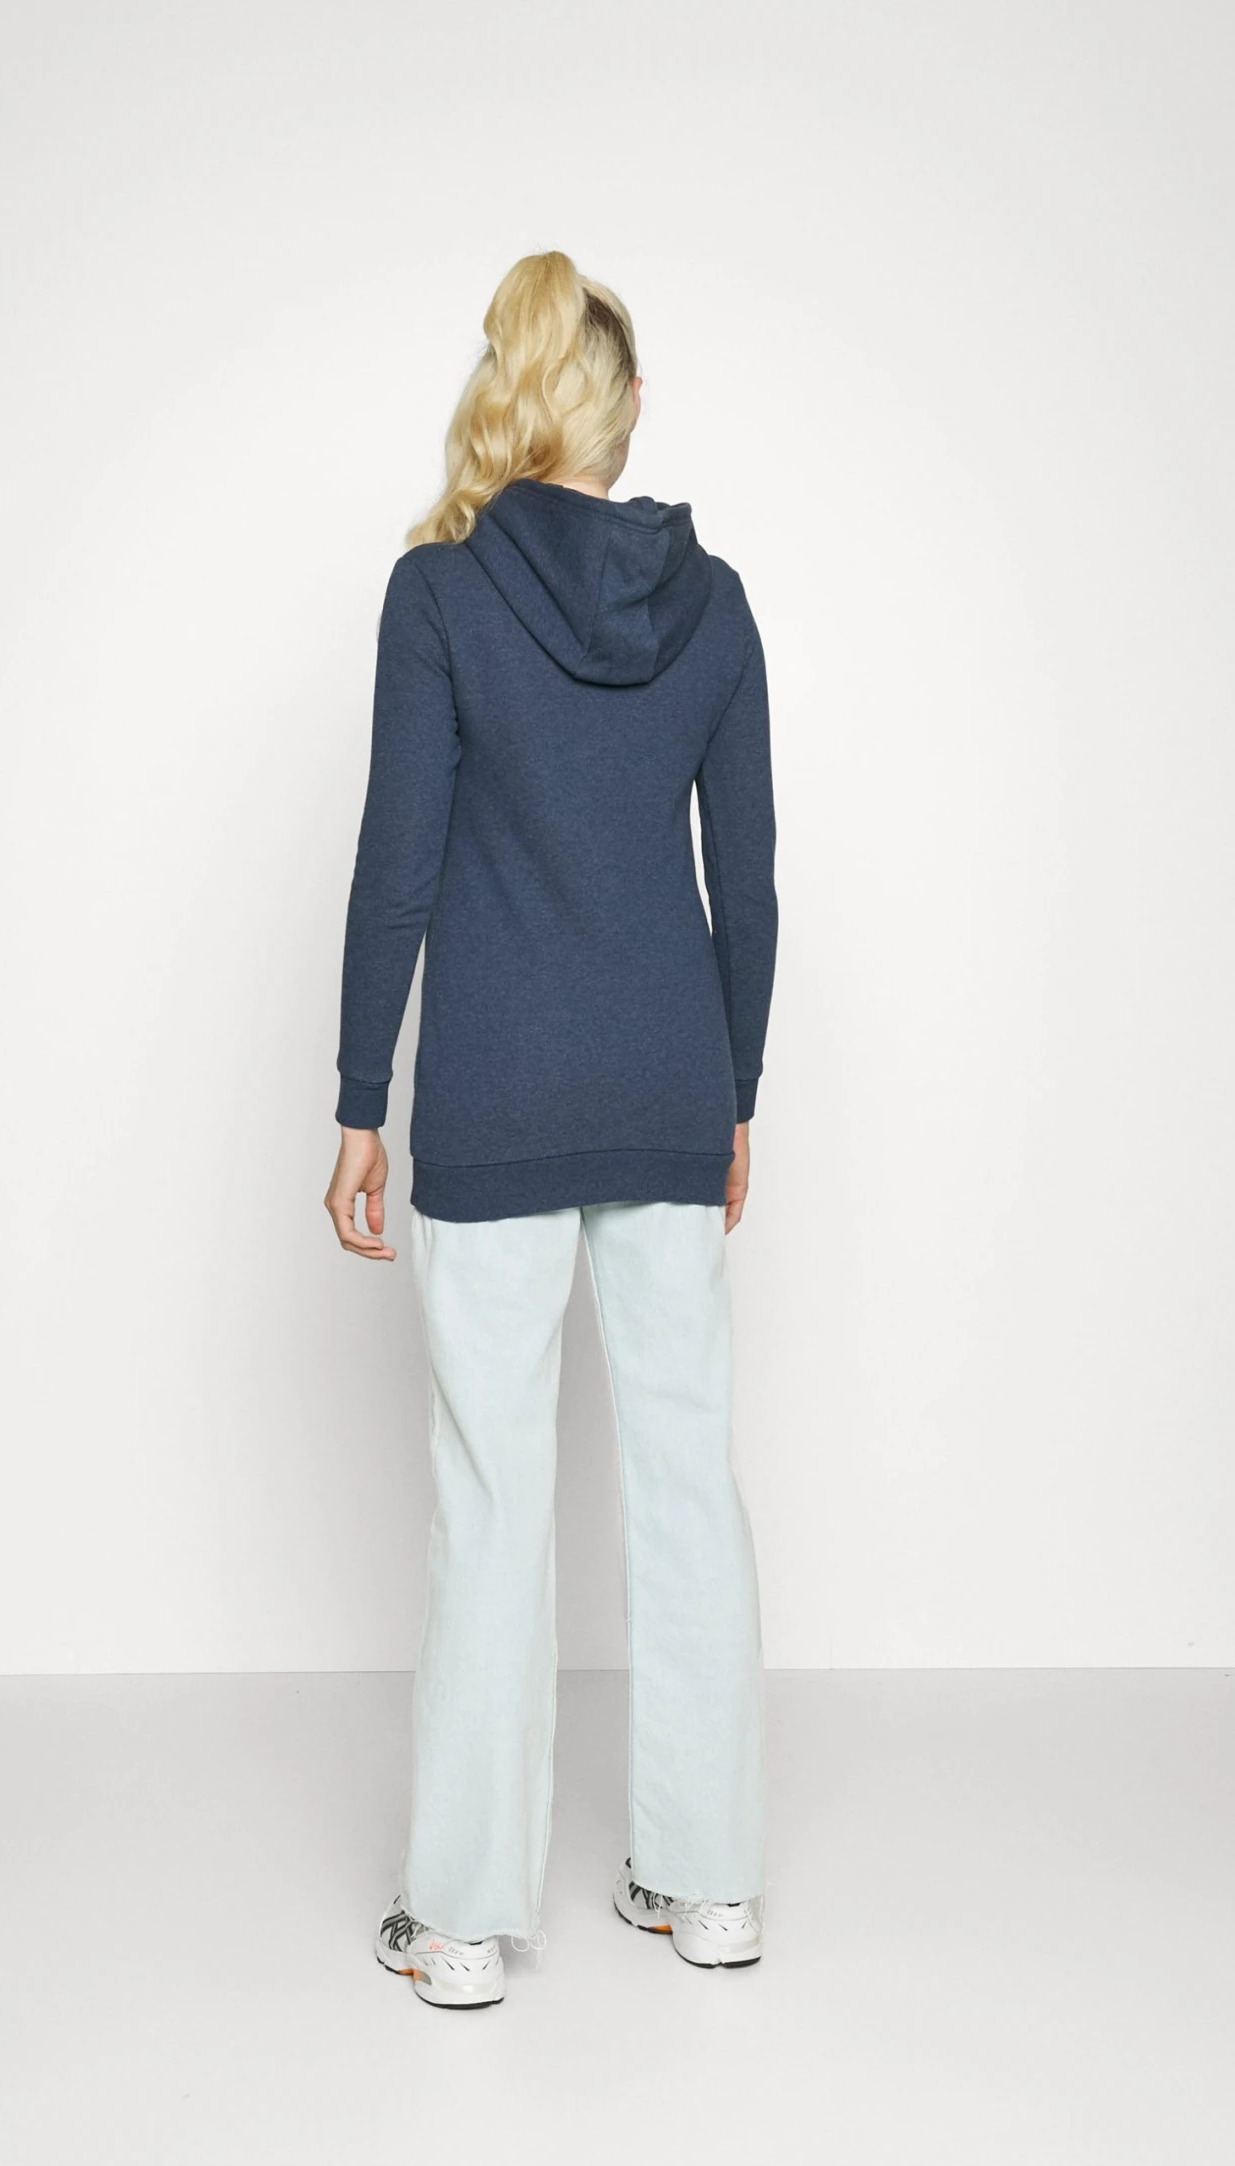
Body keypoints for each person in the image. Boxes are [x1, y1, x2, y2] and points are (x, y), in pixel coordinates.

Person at [325, 250, 779, 2009]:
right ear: (631, 406)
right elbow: (746, 881)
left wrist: (359, 1101)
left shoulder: (437, 593)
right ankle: (711, 1881)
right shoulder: (716, 606)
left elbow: (397, 868)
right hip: (665, 1088)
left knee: (493, 1495)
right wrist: (735, 1094)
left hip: (498, 1097)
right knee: (686, 1482)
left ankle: (460, 1920)